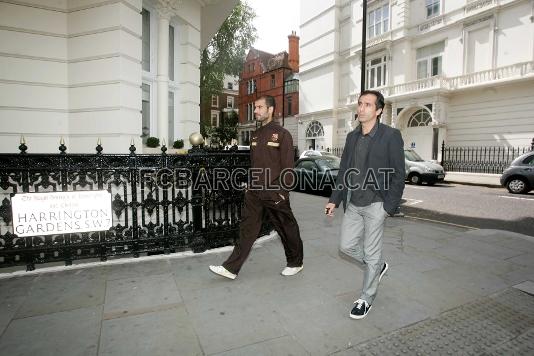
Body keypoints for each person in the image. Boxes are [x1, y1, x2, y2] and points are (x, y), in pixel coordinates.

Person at [324, 90, 405, 319]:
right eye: (360, 104)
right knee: (345, 246)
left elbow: (399, 174)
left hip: (376, 203)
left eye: (367, 105)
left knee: (371, 252)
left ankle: (366, 298)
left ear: (378, 110)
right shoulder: (352, 137)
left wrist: (388, 207)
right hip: (353, 203)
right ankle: (377, 267)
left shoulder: (390, 136)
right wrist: (334, 199)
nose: (361, 108)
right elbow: (344, 172)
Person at [209, 95, 303, 279]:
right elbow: (255, 164)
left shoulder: (282, 134)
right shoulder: (255, 134)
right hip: (254, 192)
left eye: (260, 107)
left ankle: (296, 262)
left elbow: (288, 168)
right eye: (255, 107)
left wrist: (282, 192)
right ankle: (231, 268)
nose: (256, 111)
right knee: (247, 229)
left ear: (270, 110)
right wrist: (250, 185)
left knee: (286, 228)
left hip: (274, 193)